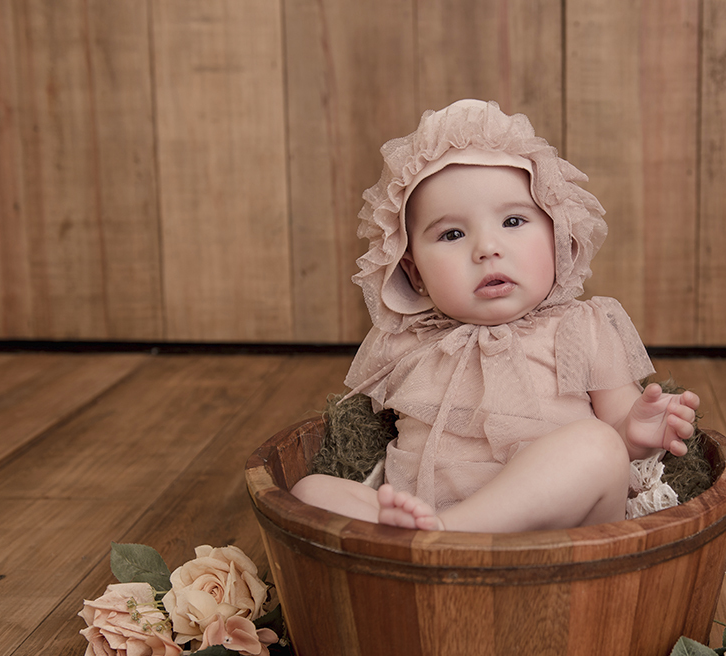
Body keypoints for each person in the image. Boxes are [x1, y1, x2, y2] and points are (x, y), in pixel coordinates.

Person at [291, 99, 699, 533]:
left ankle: (450, 534)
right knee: (311, 492)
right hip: (418, 512)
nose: (487, 248)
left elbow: (618, 419)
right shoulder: (408, 339)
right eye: (452, 233)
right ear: (414, 272)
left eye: (513, 221)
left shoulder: (582, 325)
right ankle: (427, 533)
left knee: (598, 447)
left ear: (558, 235)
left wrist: (632, 429)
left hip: (561, 527)